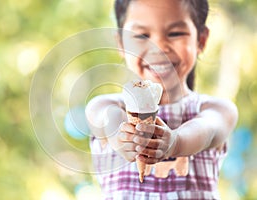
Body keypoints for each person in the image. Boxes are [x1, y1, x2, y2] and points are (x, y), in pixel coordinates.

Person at [85, 0, 238, 199]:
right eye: (142, 35)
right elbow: (107, 119)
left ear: (201, 40)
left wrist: (175, 142)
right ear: (121, 44)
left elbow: (206, 130)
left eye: (175, 33)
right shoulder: (105, 105)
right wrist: (123, 138)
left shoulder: (217, 110)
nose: (158, 47)